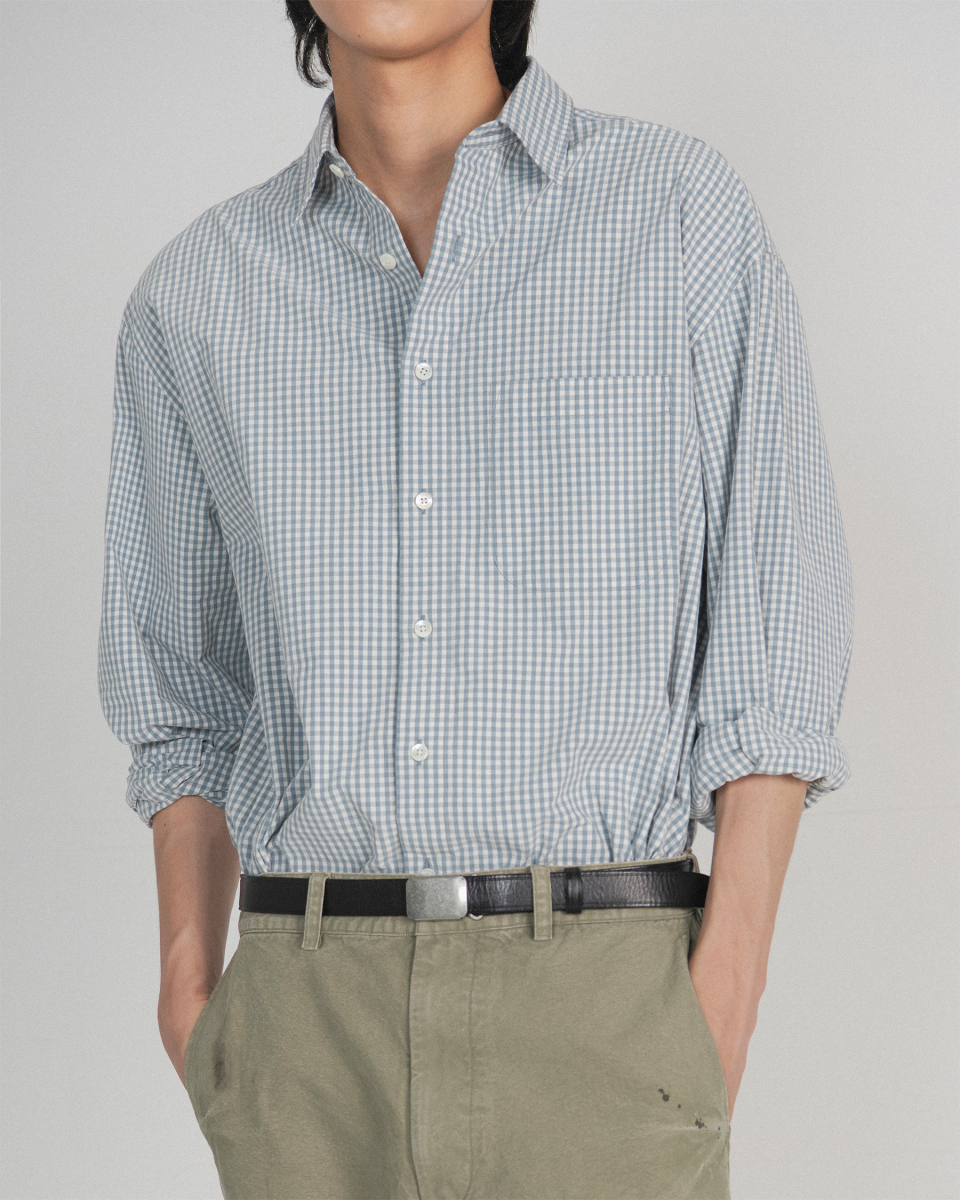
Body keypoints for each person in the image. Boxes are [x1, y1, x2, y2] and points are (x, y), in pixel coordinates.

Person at [97, 2, 854, 1197]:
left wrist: (727, 986)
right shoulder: (197, 294)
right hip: (309, 1026)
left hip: (608, 1011)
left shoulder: (675, 214)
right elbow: (186, 700)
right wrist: (192, 990)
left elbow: (775, 627)